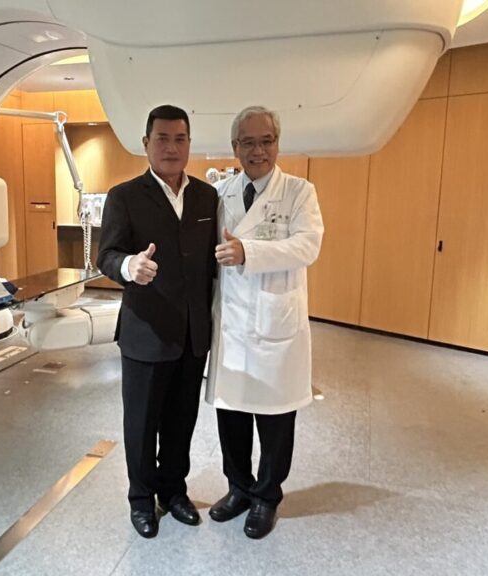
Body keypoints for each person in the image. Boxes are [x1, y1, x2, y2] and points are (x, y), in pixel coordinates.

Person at [97, 105, 219, 538]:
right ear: (146, 144)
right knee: (142, 423)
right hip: (145, 333)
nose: (171, 147)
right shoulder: (124, 196)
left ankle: (173, 491)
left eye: (180, 139)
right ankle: (140, 498)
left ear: (189, 144)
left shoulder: (207, 197)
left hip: (192, 335)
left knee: (181, 422)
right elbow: (106, 255)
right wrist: (130, 266)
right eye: (162, 139)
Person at [206, 106, 324, 539]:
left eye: (266, 141)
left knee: (275, 419)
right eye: (249, 142)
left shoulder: (298, 192)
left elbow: (308, 246)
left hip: (275, 324)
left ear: (277, 143)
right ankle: (239, 489)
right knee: (232, 415)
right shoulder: (219, 193)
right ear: (235, 147)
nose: (258, 150)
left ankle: (267, 496)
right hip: (231, 325)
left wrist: (248, 253)